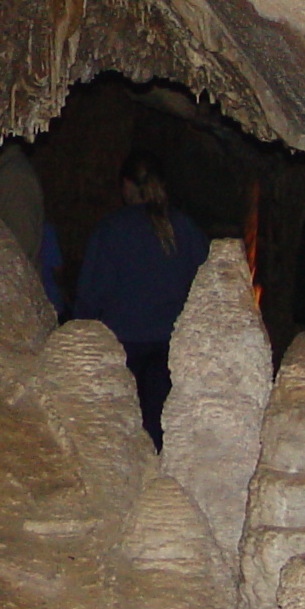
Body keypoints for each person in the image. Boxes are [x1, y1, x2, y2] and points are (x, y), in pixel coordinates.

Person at [68, 153, 205, 446]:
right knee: (160, 429)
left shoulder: (112, 228)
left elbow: (93, 292)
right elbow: (205, 284)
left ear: (128, 186)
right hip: (171, 346)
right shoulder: (184, 227)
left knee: (122, 430)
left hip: (122, 346)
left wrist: (78, 329)